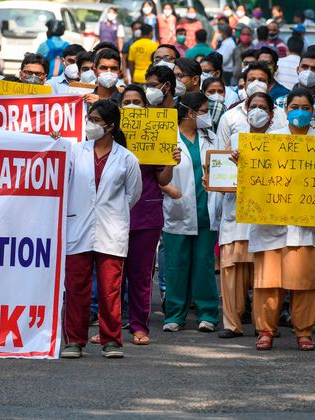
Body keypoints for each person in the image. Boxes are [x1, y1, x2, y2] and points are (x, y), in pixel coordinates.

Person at [249, 88, 315, 351]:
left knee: (306, 283)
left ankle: (304, 331)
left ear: (313, 111)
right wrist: (245, 162)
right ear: (286, 111)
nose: (300, 112)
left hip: (310, 226)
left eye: (306, 108)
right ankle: (265, 330)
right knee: (268, 283)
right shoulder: (269, 141)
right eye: (295, 107)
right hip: (272, 225)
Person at [60, 100, 142, 359]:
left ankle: (111, 340)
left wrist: (112, 211)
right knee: (76, 287)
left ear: (110, 126)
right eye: (89, 118)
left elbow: (133, 194)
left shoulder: (126, 158)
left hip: (111, 229)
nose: (90, 124)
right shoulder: (74, 151)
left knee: (110, 289)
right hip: (78, 226)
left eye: (96, 120)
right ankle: (74, 340)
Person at [119, 85, 179, 345]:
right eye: (127, 101)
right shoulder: (108, 137)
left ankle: (139, 326)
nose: (132, 106)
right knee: (112, 275)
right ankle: (110, 327)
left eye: (137, 102)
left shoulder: (155, 134)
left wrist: (170, 162)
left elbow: (162, 177)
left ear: (145, 107)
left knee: (141, 275)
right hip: (113, 214)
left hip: (146, 212)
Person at [162, 92, 221, 333]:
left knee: (204, 265)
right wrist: (166, 186)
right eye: (205, 109)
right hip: (178, 209)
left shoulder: (212, 137)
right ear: (189, 112)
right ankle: (175, 315)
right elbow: (154, 172)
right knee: (176, 265)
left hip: (205, 209)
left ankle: (208, 313)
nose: (208, 115)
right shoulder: (168, 137)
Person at [218, 92, 274, 338]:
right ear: (246, 110)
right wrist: (230, 163)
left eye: (263, 107)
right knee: (231, 272)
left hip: (265, 217)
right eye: (253, 106)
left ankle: (264, 325)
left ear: (271, 116)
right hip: (235, 215)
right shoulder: (234, 141)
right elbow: (217, 177)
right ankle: (232, 323)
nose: (257, 111)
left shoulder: (279, 144)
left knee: (264, 275)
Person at [216, 62, 288, 147]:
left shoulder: (282, 116)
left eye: (261, 80)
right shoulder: (229, 117)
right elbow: (221, 151)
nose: (256, 83)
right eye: (251, 80)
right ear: (245, 85)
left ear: (269, 87)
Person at [275, 51, 315, 117]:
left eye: (314, 69)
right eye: (305, 67)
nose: (309, 72)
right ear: (297, 69)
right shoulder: (280, 102)